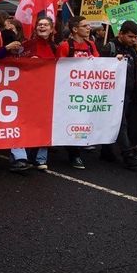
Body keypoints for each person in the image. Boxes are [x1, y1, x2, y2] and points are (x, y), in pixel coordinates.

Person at [0, 16, 56, 172]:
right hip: (24, 91)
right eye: (39, 24)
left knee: (45, 122)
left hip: (47, 90)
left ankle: (40, 158)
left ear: (52, 28)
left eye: (46, 24)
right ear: (35, 28)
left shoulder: (57, 47)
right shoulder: (26, 45)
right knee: (20, 122)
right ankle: (20, 157)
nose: (42, 27)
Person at [99, 20, 137, 168]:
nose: (134, 40)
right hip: (113, 93)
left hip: (128, 92)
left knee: (117, 122)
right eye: (131, 36)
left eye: (136, 37)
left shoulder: (132, 49)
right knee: (121, 123)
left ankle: (106, 151)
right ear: (121, 34)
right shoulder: (110, 47)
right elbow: (99, 69)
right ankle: (128, 154)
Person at [56, 16, 100, 170]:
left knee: (82, 121)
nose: (89, 28)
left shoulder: (91, 45)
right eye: (85, 26)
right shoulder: (65, 46)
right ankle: (74, 154)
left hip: (85, 91)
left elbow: (98, 64)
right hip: (69, 91)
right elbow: (59, 68)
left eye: (89, 26)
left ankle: (76, 149)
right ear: (75, 29)